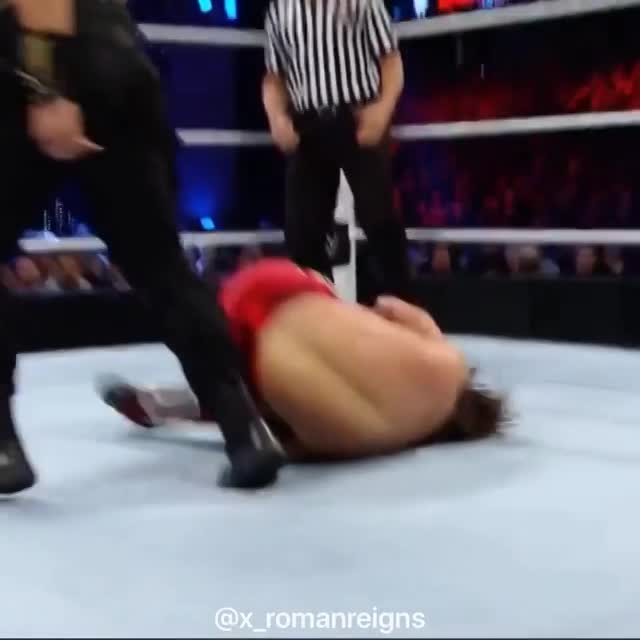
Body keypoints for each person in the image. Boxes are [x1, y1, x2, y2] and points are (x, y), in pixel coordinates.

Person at [0, 0, 284, 494]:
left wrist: (48, 91)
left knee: (157, 262)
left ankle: (2, 446)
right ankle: (244, 429)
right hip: (102, 59)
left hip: (50, 62)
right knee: (159, 263)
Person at [98, 258, 507, 462]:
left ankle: (161, 403)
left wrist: (346, 314)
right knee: (253, 403)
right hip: (262, 376)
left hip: (280, 288)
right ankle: (163, 404)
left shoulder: (449, 360)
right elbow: (294, 447)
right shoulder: (391, 439)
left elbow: (388, 307)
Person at [262, 0, 412, 300]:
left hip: (358, 116)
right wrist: (277, 117)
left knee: (380, 223)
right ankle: (321, 314)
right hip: (307, 125)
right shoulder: (280, 9)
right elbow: (274, 77)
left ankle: (405, 312)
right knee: (302, 233)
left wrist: (382, 109)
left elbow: (391, 61)